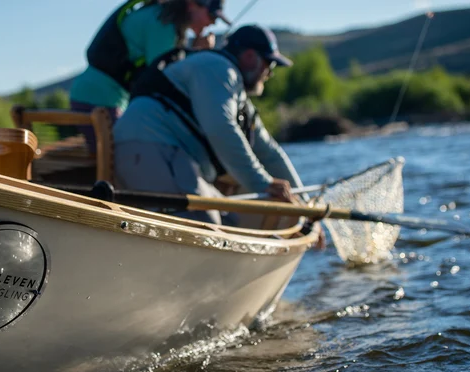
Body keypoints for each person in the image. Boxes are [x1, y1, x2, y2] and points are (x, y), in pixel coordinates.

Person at [112, 24, 307, 226]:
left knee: (230, 220)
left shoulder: (233, 92)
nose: (270, 73)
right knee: (206, 224)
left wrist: (308, 209)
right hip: (146, 146)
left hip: (167, 154)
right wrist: (263, 184)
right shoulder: (217, 69)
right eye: (270, 64)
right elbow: (220, 129)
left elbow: (269, 152)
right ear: (250, 56)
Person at [69, 0, 231, 154]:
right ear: (191, 4)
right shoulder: (163, 23)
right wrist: (197, 54)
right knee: (122, 161)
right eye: (212, 15)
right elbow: (164, 77)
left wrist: (193, 52)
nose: (213, 23)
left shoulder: (160, 17)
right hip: (98, 101)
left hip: (99, 98)